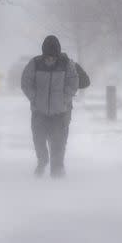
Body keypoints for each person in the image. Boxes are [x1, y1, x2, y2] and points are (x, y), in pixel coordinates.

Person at [21, 35, 79, 178]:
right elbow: (25, 82)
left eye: (53, 57)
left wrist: (64, 99)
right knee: (38, 139)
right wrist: (34, 98)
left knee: (58, 143)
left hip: (60, 113)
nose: (50, 60)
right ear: (43, 54)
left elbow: (73, 83)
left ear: (58, 54)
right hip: (39, 112)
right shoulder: (34, 64)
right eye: (48, 56)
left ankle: (57, 170)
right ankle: (43, 160)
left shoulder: (66, 65)